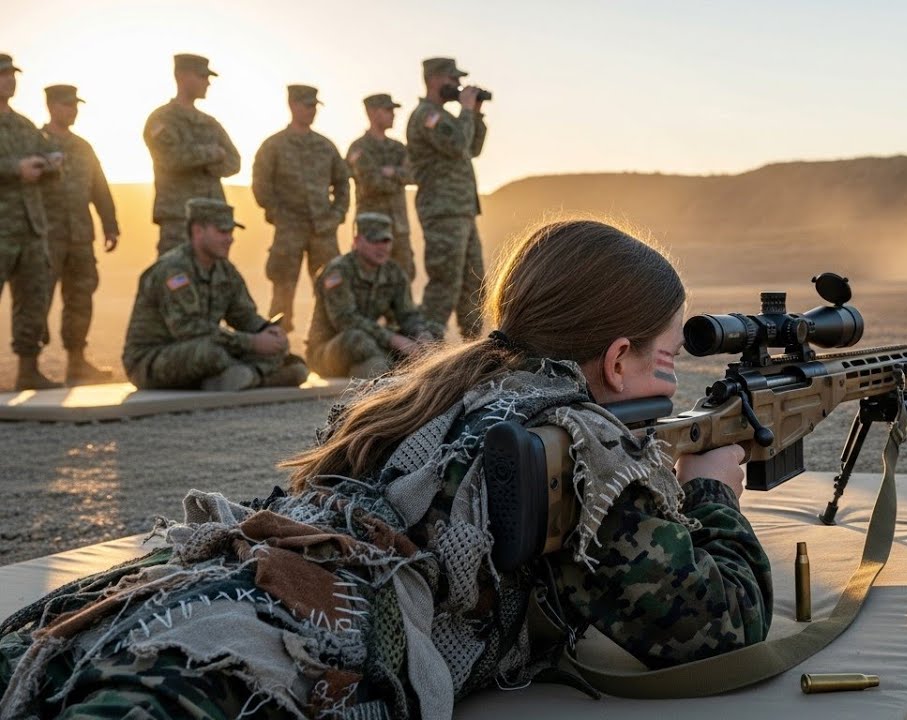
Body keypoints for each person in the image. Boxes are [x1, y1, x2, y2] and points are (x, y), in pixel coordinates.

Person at [0, 219, 771, 718]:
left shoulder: (429, 391)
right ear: (616, 358)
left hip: (202, 597)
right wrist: (712, 491)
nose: (673, 378)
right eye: (666, 357)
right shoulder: (579, 445)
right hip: (293, 658)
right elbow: (717, 626)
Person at [121, 198, 309, 391]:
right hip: (152, 360)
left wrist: (269, 332)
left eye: (231, 232)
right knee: (210, 353)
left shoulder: (225, 271)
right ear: (198, 231)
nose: (230, 239)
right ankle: (255, 377)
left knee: (289, 360)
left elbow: (244, 316)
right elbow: (189, 329)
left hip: (209, 348)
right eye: (222, 232)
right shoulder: (173, 271)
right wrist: (253, 343)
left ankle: (241, 377)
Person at [253, 84, 350, 333]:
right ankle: (277, 344)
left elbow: (343, 183)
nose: (312, 111)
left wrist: (336, 215)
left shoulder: (325, 146)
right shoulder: (274, 145)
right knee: (283, 290)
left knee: (332, 287)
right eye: (307, 106)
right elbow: (261, 185)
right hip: (289, 230)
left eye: (315, 106)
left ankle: (325, 341)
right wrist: (278, 214)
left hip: (323, 230)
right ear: (292, 105)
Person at [40, 84, 120, 385]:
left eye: (75, 105)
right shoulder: (35, 142)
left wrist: (110, 224)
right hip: (45, 236)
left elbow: (99, 188)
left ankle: (77, 363)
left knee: (80, 297)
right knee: (37, 297)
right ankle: (29, 364)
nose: (72, 111)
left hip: (80, 237)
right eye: (67, 105)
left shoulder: (83, 147)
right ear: (51, 107)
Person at [407, 57, 488, 339]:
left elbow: (473, 148)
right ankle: (426, 347)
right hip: (442, 211)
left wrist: (475, 114)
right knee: (445, 281)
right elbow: (457, 145)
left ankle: (473, 345)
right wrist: (465, 110)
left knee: (473, 282)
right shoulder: (427, 116)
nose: (457, 85)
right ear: (434, 80)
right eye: (452, 79)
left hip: (462, 210)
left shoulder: (448, 118)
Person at [306, 212, 438, 378]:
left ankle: (381, 370)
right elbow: (345, 320)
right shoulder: (338, 271)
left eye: (386, 241)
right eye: (374, 241)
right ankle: (385, 372)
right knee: (358, 339)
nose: (382, 247)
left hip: (372, 345)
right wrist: (392, 339)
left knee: (433, 334)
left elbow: (408, 315)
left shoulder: (393, 273)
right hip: (330, 351)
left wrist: (422, 335)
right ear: (357, 241)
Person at [0, 53, 63, 390]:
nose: (9, 80)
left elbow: (43, 156)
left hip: (30, 228)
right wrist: (15, 169)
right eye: (3, 75)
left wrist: (50, 163)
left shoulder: (24, 125)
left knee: (33, 299)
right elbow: (18, 167)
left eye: (12, 74)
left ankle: (28, 370)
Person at [143, 53, 240, 255]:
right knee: (174, 270)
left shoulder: (210, 123)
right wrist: (212, 154)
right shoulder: (161, 119)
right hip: (178, 216)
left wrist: (196, 159)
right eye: (202, 76)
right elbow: (169, 158)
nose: (207, 83)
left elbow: (234, 162)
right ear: (181, 76)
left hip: (213, 218)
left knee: (214, 272)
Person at [347, 93, 415, 280]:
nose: (393, 115)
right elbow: (371, 183)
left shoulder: (398, 148)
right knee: (367, 279)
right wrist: (398, 177)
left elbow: (414, 175)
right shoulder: (359, 148)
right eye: (388, 110)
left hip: (399, 228)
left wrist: (392, 172)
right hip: (370, 230)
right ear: (372, 113)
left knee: (403, 277)